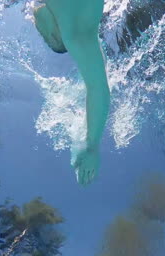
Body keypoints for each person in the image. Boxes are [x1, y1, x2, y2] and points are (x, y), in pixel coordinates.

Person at [33, 0, 110, 185]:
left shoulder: (78, 21)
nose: (33, 19)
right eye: (46, 39)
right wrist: (91, 145)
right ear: (54, 35)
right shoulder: (75, 32)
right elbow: (98, 88)